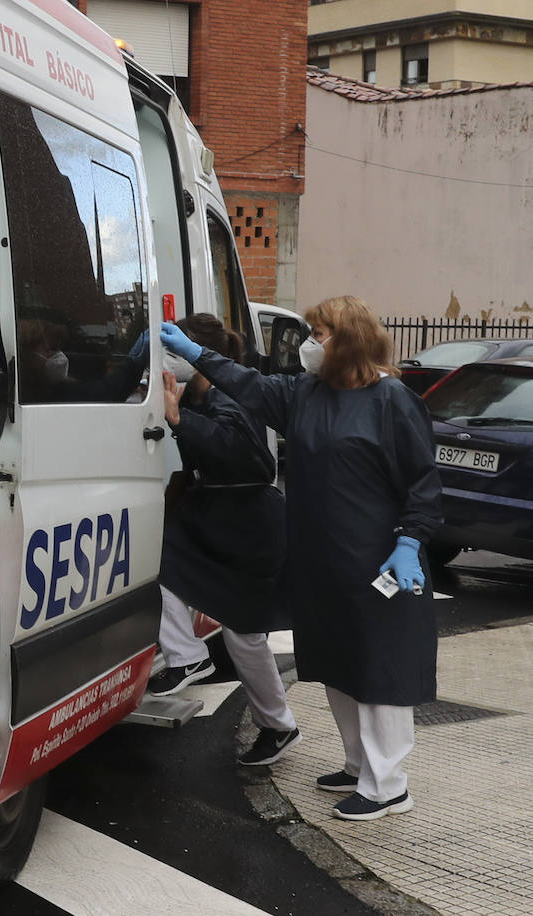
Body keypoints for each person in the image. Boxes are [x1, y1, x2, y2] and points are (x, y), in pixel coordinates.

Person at [160, 295, 442, 821]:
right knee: (339, 663)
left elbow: (422, 480)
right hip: (321, 559)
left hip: (377, 558)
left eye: (319, 333)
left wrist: (410, 542)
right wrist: (197, 353)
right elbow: (247, 383)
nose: (310, 343)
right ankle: (358, 766)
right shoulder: (306, 393)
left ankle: (388, 785)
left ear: (349, 340)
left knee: (380, 668)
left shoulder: (391, 400)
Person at [146, 314, 299, 768]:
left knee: (244, 635)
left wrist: (180, 420)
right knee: (161, 564)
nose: (165, 360)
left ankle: (276, 724)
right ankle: (191, 658)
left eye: (173, 349)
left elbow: (241, 454)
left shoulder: (232, 394)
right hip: (219, 519)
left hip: (250, 527)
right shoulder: (199, 393)